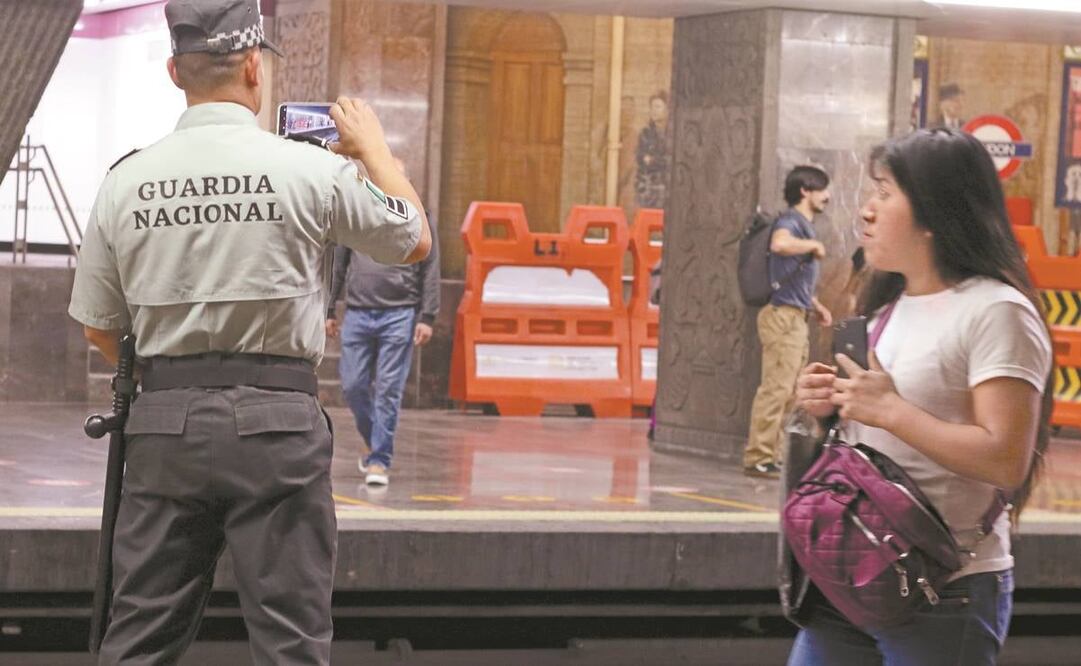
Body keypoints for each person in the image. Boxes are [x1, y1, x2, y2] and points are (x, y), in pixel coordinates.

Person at [67, 0, 431, 662]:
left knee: (140, 637)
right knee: (290, 643)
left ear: (175, 72)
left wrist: (174, 386)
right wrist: (374, 150)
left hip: (164, 426)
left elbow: (99, 327)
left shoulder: (127, 180)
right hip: (278, 427)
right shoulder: (310, 169)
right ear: (256, 69)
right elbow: (412, 240)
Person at [789, 128, 1053, 665]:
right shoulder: (886, 305)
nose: (866, 209)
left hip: (942, 589)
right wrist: (830, 406)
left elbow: (1006, 459)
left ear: (934, 213)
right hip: (851, 568)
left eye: (885, 193)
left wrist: (891, 410)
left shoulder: (995, 310)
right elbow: (873, 433)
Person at [325, 158, 440, 486]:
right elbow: (338, 267)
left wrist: (427, 315)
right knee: (353, 385)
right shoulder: (357, 216)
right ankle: (375, 440)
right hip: (359, 313)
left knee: (389, 390)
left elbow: (431, 269)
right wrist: (329, 309)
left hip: (399, 315)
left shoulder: (420, 217)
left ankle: (379, 460)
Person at [744, 166, 833, 479]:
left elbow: (791, 278)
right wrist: (812, 246)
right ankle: (759, 456)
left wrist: (816, 305)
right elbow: (779, 245)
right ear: (805, 190)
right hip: (781, 316)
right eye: (822, 190)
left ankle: (775, 454)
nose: (828, 196)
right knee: (777, 388)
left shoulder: (804, 225)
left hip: (795, 314)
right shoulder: (791, 221)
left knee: (791, 392)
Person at [635, 91, 670, 210]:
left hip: (667, 189)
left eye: (658, 107)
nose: (654, 110)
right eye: (652, 107)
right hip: (648, 189)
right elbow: (641, 158)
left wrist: (653, 160)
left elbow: (671, 161)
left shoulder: (673, 134)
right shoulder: (646, 133)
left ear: (667, 109)